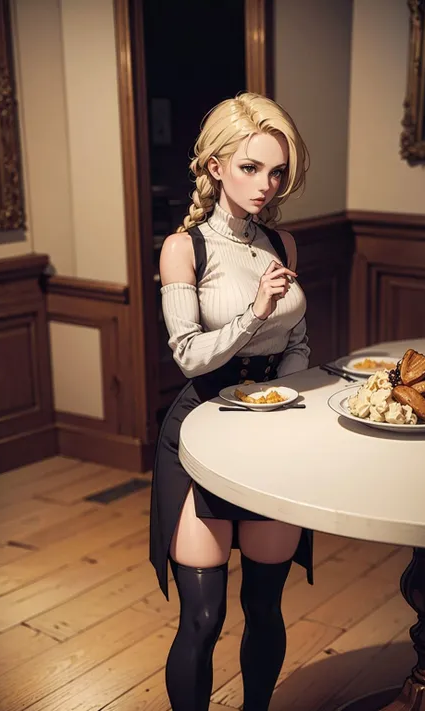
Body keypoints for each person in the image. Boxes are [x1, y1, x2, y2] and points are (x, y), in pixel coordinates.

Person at [150, 92, 313, 711]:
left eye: (275, 172)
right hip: (202, 432)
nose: (266, 185)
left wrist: (284, 397)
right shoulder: (183, 248)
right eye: (250, 168)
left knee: (265, 604)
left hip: (267, 430)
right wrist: (256, 311)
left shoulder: (282, 244)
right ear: (215, 166)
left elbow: (298, 338)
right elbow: (190, 356)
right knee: (204, 616)